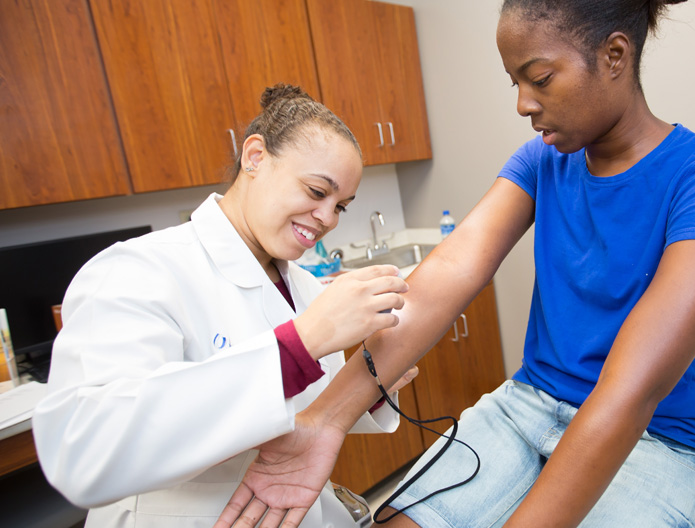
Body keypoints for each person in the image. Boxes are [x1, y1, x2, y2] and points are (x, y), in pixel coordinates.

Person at [213, 0, 695, 528]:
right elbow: (444, 276)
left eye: (540, 78)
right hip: (527, 408)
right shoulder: (541, 163)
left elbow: (630, 395)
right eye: (515, 82)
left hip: (656, 441)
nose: (523, 103)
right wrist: (325, 419)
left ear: (615, 56)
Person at [32, 84, 416, 528]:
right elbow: (84, 452)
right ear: (254, 157)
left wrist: (371, 382)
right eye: (315, 192)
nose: (327, 218)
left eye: (341, 207)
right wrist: (299, 344)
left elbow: (307, 417)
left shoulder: (306, 288)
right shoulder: (137, 271)